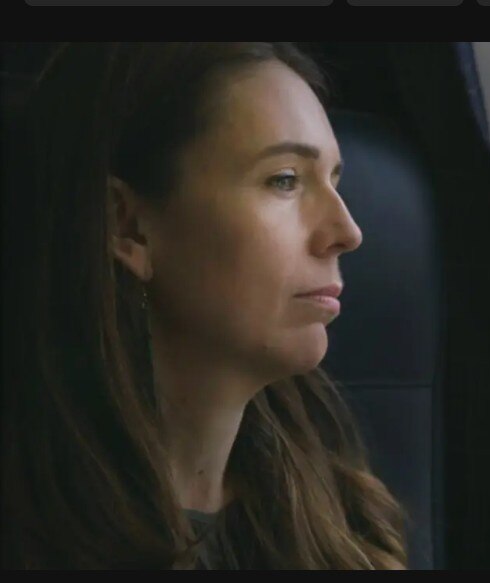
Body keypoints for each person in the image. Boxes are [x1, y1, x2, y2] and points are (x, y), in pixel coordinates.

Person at [1, 42, 406, 569]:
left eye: (334, 181)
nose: (347, 233)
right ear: (127, 226)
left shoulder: (341, 516)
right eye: (284, 180)